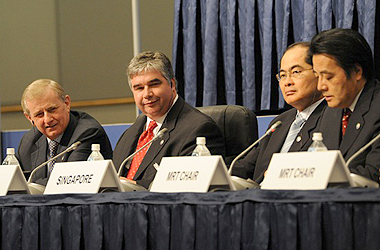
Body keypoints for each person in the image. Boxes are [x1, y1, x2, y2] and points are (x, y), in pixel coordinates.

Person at [113, 51, 225, 189]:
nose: (147, 94)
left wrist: (136, 186)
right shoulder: (132, 132)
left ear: (172, 84)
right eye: (139, 88)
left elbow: (190, 184)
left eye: (154, 85)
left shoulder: (199, 129)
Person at [231, 42, 325, 182]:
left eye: (296, 72)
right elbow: (246, 166)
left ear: (319, 73)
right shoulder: (280, 123)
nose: (287, 82)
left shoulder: (332, 118)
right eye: (282, 75)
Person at [310, 28, 380, 182]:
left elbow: (372, 174)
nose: (320, 86)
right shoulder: (330, 112)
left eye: (328, 77)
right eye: (317, 77)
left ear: (357, 71)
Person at [17, 79, 113, 185]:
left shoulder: (88, 133)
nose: (47, 119)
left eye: (52, 109)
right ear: (29, 118)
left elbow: (67, 182)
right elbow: (15, 183)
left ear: (67, 103)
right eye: (39, 114)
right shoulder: (29, 142)